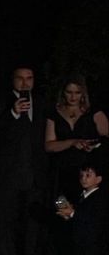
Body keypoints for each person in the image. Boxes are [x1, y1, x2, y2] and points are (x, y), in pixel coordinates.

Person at [0, 65, 49, 255]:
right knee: (6, 224)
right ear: (13, 80)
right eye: (20, 79)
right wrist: (13, 113)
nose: (25, 83)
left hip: (34, 177)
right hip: (9, 177)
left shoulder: (42, 104)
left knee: (32, 226)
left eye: (29, 78)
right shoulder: (2, 103)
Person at [45, 73, 108, 204]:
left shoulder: (94, 112)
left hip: (87, 173)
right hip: (61, 173)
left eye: (77, 93)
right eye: (69, 92)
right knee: (61, 209)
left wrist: (94, 145)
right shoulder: (54, 113)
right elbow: (49, 145)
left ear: (83, 93)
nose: (73, 97)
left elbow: (106, 138)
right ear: (63, 92)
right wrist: (72, 142)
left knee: (86, 211)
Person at [55, 160, 107, 255]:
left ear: (98, 179)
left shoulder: (99, 198)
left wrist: (72, 213)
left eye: (88, 175)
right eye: (82, 175)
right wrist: (70, 215)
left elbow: (92, 219)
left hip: (91, 240)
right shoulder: (83, 195)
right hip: (80, 238)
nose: (84, 178)